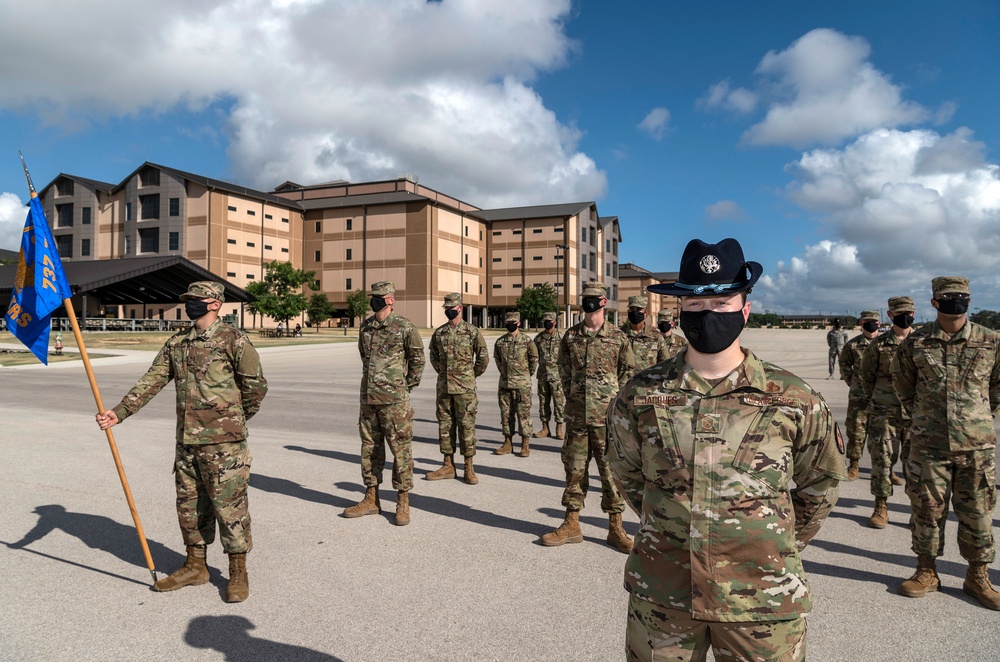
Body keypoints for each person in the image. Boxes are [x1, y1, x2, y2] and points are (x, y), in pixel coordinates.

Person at [607, 238, 845, 660]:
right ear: (679, 311)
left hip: (762, 597)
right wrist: (674, 523)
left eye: (721, 302)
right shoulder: (639, 395)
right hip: (665, 596)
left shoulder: (794, 397)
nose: (707, 314)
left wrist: (770, 541)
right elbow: (628, 473)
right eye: (695, 304)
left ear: (745, 308)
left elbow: (821, 483)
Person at [95, 281, 268, 603]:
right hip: (187, 442)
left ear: (215, 304)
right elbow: (153, 379)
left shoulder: (234, 340)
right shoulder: (178, 342)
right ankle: (195, 566)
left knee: (230, 509)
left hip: (224, 445)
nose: (190, 304)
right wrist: (120, 412)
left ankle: (237, 572)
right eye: (188, 300)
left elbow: (256, 387)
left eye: (196, 300)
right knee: (189, 508)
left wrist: (233, 420)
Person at [894, 276, 1000, 610]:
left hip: (976, 447)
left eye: (961, 297)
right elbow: (904, 387)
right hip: (929, 445)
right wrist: (928, 418)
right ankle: (926, 571)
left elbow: (997, 388)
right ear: (934, 302)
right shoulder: (916, 343)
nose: (956, 301)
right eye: (948, 296)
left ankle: (978, 577)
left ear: (969, 301)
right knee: (926, 511)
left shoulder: (991, 340)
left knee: (978, 513)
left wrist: (977, 417)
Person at [541, 281, 634, 553]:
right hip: (577, 417)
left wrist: (614, 402)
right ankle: (571, 524)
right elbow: (562, 368)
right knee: (574, 471)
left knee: (610, 474)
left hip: (607, 420)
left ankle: (616, 528)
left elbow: (627, 374)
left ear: (604, 302)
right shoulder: (570, 336)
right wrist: (572, 394)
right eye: (585, 298)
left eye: (593, 298)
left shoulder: (618, 337)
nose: (588, 303)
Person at [342, 281, 425, 526]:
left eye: (379, 296)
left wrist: (403, 387)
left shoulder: (404, 326)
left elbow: (418, 361)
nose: (374, 300)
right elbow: (363, 356)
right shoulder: (366, 327)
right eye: (373, 296)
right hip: (368, 399)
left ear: (391, 299)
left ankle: (403, 500)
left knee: (401, 451)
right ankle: (371, 498)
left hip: (395, 402)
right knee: (370, 449)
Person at [858, 297, 914, 528]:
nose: (905, 316)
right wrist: (881, 399)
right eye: (900, 312)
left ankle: (918, 511)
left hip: (916, 415)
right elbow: (866, 377)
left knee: (916, 466)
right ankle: (881, 506)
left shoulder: (922, 343)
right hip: (884, 412)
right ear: (890, 316)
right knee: (882, 462)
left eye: (909, 312)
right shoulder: (878, 345)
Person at [426, 293, 489, 484]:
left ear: (460, 308)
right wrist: (444, 374)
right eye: (446, 308)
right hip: (444, 388)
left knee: (466, 427)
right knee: (445, 426)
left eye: (451, 308)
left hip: (465, 390)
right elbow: (434, 357)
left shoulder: (471, 331)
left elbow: (483, 358)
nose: (448, 311)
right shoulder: (440, 333)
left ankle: (468, 467)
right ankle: (448, 465)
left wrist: (469, 375)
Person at [839, 310, 881, 480]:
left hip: (882, 397)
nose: (871, 324)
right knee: (856, 433)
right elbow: (844, 364)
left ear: (879, 324)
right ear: (862, 324)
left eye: (874, 321)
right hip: (859, 397)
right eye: (867, 321)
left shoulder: (886, 343)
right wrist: (853, 382)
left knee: (881, 436)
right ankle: (854, 465)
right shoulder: (853, 345)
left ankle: (883, 469)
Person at [493, 311, 537, 456]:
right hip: (505, 385)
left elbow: (533, 360)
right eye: (508, 323)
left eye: (513, 323)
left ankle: (525, 444)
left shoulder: (527, 341)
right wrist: (506, 375)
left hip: (522, 385)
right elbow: (498, 361)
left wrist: (524, 376)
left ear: (518, 323)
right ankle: (507, 443)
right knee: (506, 415)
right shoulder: (500, 342)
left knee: (523, 415)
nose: (510, 325)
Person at [533, 311, 565, 440]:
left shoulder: (562, 338)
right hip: (542, 375)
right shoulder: (538, 339)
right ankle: (545, 428)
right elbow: (534, 356)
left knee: (559, 403)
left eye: (549, 321)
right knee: (543, 402)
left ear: (554, 322)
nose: (547, 323)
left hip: (557, 377)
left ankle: (559, 428)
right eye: (545, 321)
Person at [622, 295, 669, 371]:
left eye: (639, 309)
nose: (635, 312)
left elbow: (666, 365)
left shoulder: (656, 337)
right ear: (628, 311)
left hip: (647, 382)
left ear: (645, 313)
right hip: (625, 382)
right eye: (631, 309)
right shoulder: (620, 335)